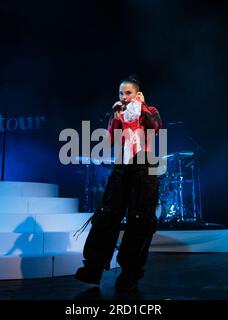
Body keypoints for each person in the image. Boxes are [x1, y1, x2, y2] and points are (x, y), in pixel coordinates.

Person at [75, 75, 163, 292]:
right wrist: (116, 116)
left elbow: (156, 127)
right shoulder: (119, 114)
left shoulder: (149, 110)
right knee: (107, 214)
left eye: (128, 93)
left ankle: (130, 273)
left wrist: (141, 106)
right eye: (120, 94)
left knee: (139, 219)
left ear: (138, 93)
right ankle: (94, 267)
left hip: (144, 166)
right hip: (121, 166)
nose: (123, 98)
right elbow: (110, 140)